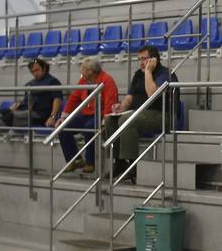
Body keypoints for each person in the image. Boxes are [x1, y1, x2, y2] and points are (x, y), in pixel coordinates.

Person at [104, 45, 178, 183]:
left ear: (154, 59)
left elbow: (152, 95)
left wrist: (148, 72)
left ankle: (133, 167)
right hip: (140, 113)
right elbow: (130, 97)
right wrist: (120, 107)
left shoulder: (166, 74)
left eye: (144, 59)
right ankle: (119, 162)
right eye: (139, 59)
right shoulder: (138, 74)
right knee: (110, 120)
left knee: (127, 120)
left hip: (162, 115)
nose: (141, 63)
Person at [51, 57, 120, 174]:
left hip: (101, 114)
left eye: (82, 69)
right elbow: (73, 99)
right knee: (63, 127)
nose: (80, 71)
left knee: (89, 128)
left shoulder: (107, 80)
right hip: (86, 114)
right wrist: (63, 117)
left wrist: (104, 121)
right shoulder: (83, 81)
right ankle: (75, 159)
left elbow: (110, 102)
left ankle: (90, 162)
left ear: (90, 71)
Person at [0, 58, 62, 131]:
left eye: (37, 70)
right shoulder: (30, 84)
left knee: (10, 116)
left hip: (39, 114)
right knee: (5, 111)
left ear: (44, 68)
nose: (35, 73)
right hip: (25, 110)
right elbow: (26, 100)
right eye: (32, 71)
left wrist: (53, 117)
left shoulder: (52, 81)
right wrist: (18, 104)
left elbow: (57, 99)